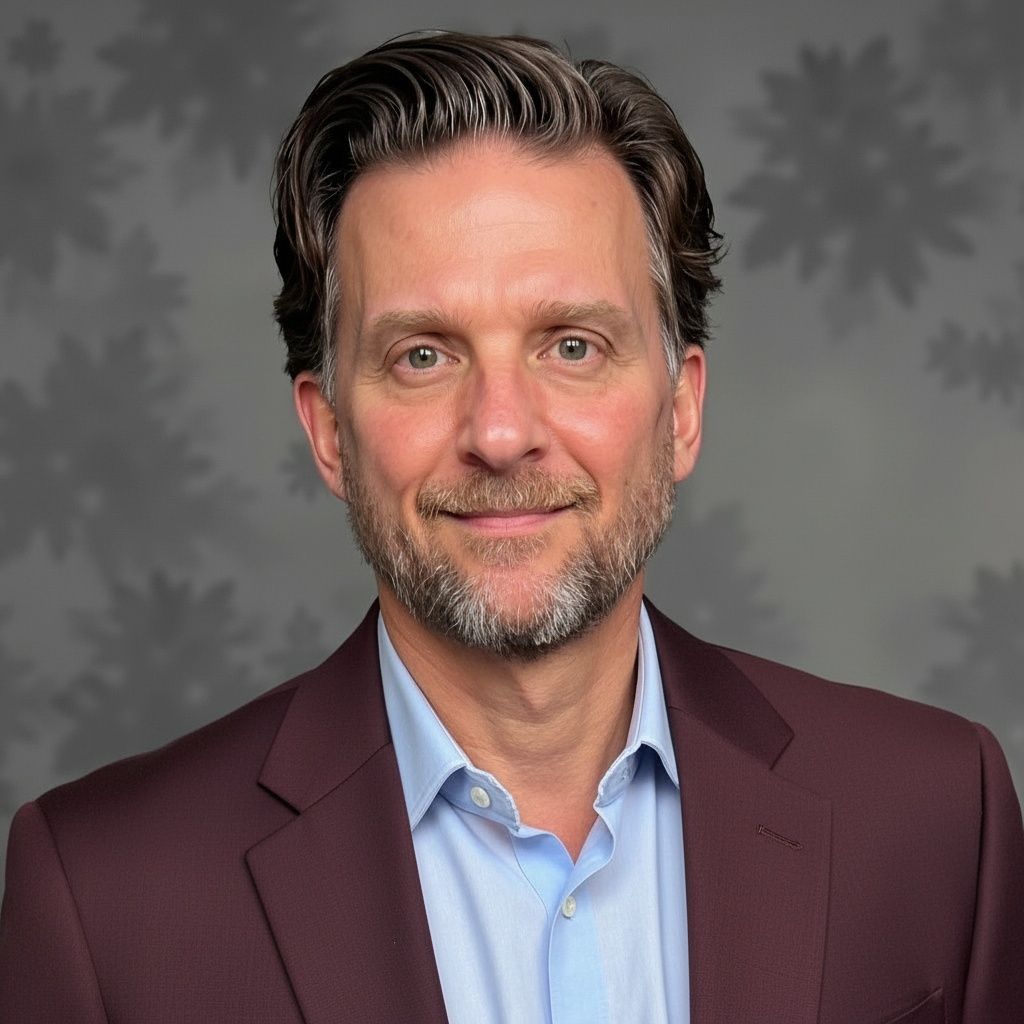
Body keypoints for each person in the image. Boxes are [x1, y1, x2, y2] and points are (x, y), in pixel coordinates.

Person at [1, 31, 1022, 1024]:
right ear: (327, 432)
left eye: (571, 345)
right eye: (422, 356)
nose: (500, 432)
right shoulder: (108, 898)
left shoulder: (935, 815)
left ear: (680, 410)